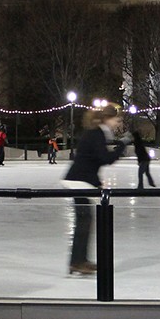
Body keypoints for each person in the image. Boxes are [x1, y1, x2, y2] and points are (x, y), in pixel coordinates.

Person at [62, 105, 128, 275]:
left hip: (81, 180)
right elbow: (105, 158)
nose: (118, 123)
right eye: (117, 119)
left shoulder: (97, 133)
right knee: (84, 222)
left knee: (85, 222)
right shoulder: (97, 133)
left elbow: (91, 160)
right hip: (78, 182)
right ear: (108, 119)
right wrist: (121, 147)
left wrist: (97, 182)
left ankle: (79, 260)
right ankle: (77, 262)